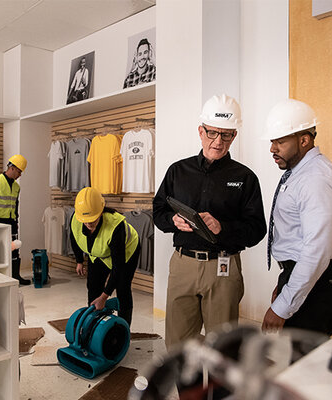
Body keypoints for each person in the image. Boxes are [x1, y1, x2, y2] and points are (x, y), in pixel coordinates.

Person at [153, 94, 267, 349]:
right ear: (200, 131)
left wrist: (222, 228)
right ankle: (188, 390)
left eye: (226, 135)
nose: (218, 141)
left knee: (222, 349)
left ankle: (219, 391)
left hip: (223, 269)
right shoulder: (177, 171)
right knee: (178, 346)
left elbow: (257, 229)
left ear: (234, 136)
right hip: (183, 265)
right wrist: (173, 220)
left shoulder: (245, 178)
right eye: (213, 133)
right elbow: (158, 212)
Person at [261, 99, 332, 341]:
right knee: (296, 358)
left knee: (304, 364)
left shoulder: (314, 179)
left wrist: (284, 304)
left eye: (280, 141)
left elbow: (316, 251)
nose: (272, 149)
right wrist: (286, 281)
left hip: (318, 279)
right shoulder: (300, 172)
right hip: (304, 274)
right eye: (271, 141)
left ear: (304, 139)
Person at [70, 187, 140, 325]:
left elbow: (118, 267)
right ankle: (94, 325)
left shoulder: (115, 226)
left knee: (122, 287)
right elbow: (74, 238)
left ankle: (124, 328)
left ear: (101, 211)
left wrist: (105, 296)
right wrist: (79, 261)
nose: (89, 222)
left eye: (93, 218)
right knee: (93, 285)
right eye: (85, 219)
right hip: (98, 254)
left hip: (126, 252)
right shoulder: (76, 218)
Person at [0, 154, 30, 285]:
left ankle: (15, 276)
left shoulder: (17, 187)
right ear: (11, 167)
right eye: (19, 171)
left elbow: (15, 205)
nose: (20, 175)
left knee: (14, 250)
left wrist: (16, 221)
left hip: (10, 222)